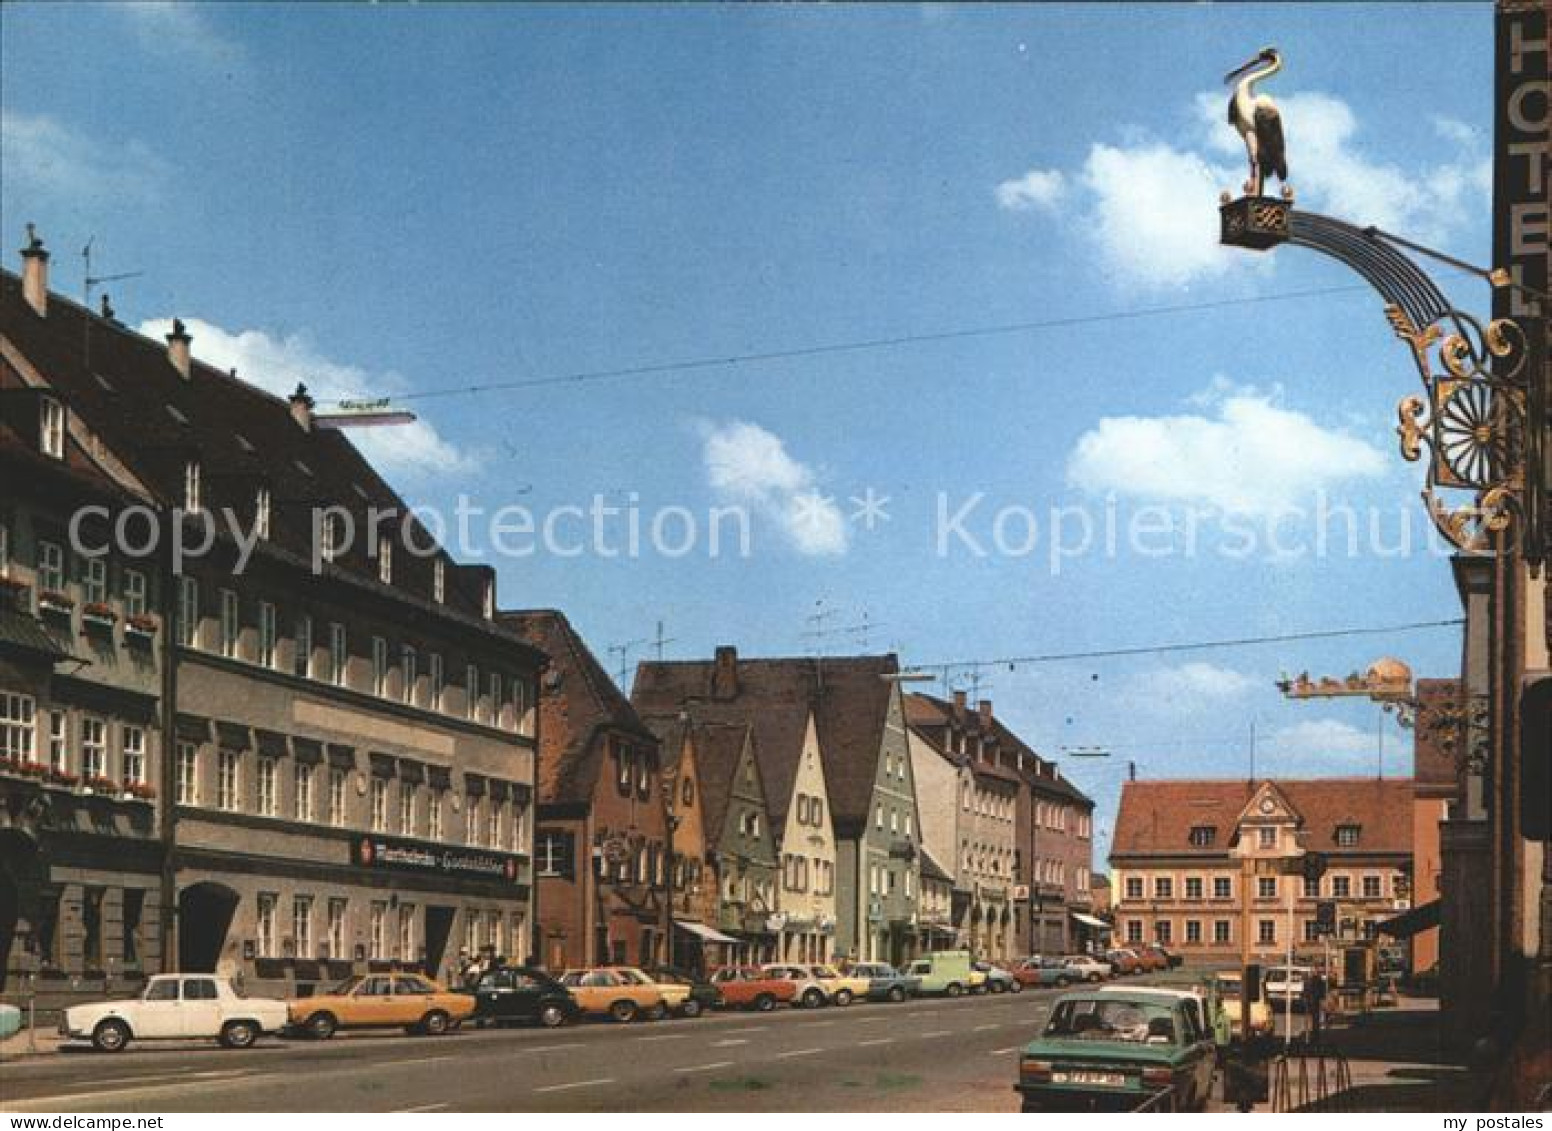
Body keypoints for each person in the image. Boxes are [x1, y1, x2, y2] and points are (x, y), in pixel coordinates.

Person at [1304, 968, 1327, 1043]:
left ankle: (1311, 1035)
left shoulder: (1309, 981)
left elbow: (1305, 992)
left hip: (1312, 1002)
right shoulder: (1319, 981)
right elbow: (1322, 993)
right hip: (1315, 1002)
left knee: (1312, 1019)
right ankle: (1314, 1035)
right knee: (1315, 1019)